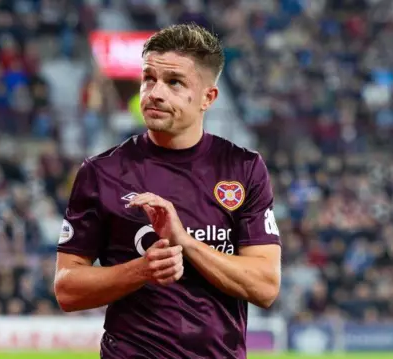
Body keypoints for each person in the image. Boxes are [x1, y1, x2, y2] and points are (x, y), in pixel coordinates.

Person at [54, 23, 282, 359]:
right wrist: (142, 270)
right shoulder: (101, 172)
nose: (155, 92)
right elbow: (67, 289)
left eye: (174, 82)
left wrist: (186, 242)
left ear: (208, 97)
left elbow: (265, 287)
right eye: (149, 78)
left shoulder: (242, 168)